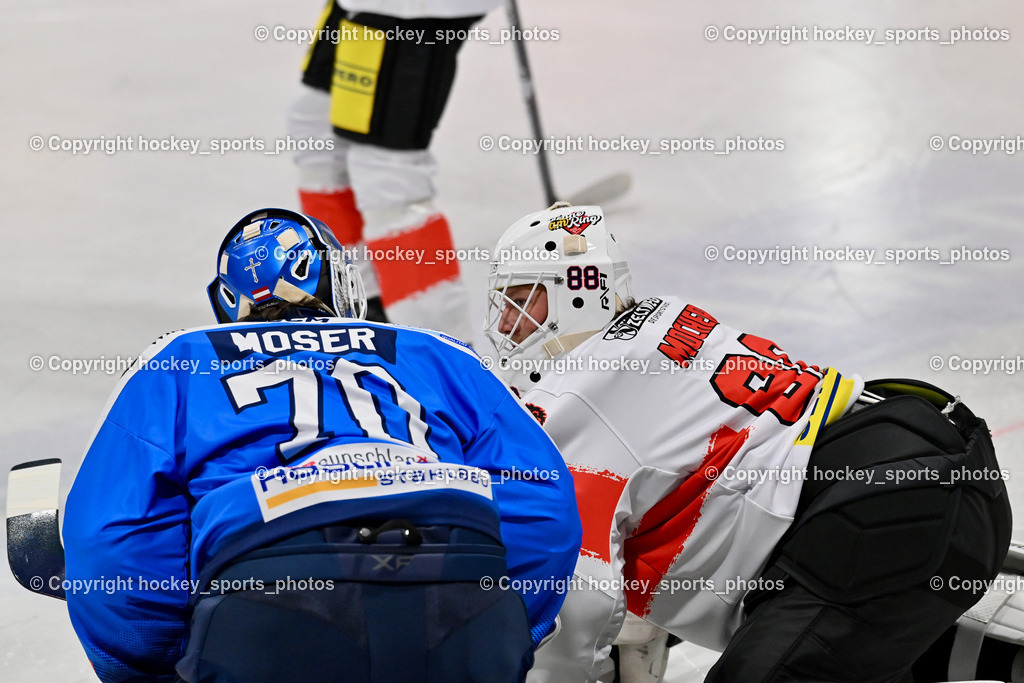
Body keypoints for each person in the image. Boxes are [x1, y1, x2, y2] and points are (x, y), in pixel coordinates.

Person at [483, 202, 1013, 682]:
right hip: (932, 479)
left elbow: (579, 601)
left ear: (578, 291)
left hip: (880, 516)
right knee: (835, 640)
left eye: (522, 300)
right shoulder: (659, 319)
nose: (506, 324)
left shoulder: (575, 400)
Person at [62, 208, 581, 682]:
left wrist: (159, 659)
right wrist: (508, 621)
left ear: (226, 299)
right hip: (459, 585)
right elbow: (542, 498)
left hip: (265, 598)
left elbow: (110, 537)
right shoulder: (438, 351)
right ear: (328, 276)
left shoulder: (178, 357)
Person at [287, 0, 502, 336]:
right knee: (316, 127)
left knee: (388, 169)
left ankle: (440, 349)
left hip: (413, 9)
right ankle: (359, 302)